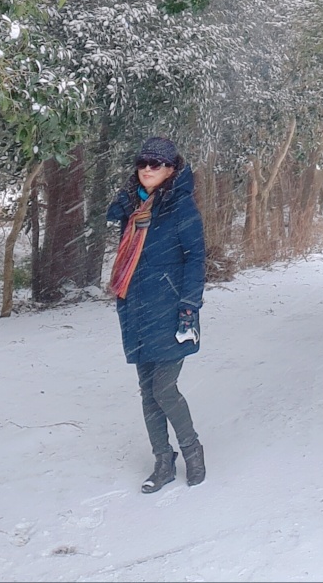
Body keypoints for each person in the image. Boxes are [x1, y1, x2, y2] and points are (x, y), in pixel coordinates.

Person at [107, 136, 206, 493]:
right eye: (142, 163)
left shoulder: (180, 206)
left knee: (163, 388)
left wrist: (189, 305)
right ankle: (163, 461)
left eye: (156, 164)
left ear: (171, 169)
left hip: (172, 309)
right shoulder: (132, 206)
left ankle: (192, 450)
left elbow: (195, 258)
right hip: (136, 308)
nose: (148, 169)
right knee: (148, 392)